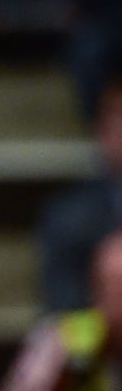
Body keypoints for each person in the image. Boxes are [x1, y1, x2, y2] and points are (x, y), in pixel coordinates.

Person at [0, 228, 122, 391]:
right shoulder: (64, 335)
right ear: (94, 291)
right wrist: (60, 374)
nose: (116, 299)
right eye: (110, 285)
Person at [38, 74, 122, 312]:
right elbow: (63, 317)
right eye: (117, 119)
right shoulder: (69, 218)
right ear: (101, 130)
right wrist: (108, 323)